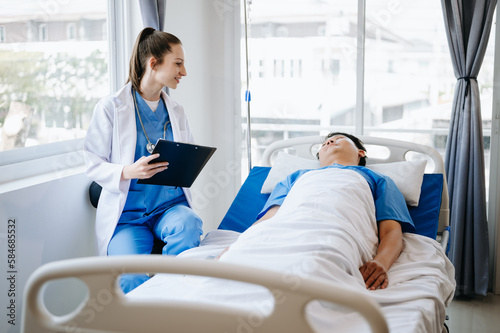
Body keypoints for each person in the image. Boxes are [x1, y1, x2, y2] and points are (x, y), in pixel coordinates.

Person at [83, 27, 203, 293]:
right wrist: (128, 170)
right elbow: (92, 161)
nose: (184, 72)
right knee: (130, 276)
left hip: (169, 207)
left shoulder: (177, 112)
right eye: (178, 64)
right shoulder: (112, 107)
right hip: (127, 216)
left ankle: (175, 299)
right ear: (153, 63)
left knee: (189, 223)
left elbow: (187, 153)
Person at [220, 132, 414, 290]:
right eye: (325, 143)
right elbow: (269, 218)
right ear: (320, 157)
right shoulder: (296, 177)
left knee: (321, 267)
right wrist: (240, 244)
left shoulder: (378, 179)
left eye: (338, 139)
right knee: (235, 266)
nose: (329, 141)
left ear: (361, 152)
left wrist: (381, 262)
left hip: (336, 231)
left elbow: (390, 230)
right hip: (283, 230)